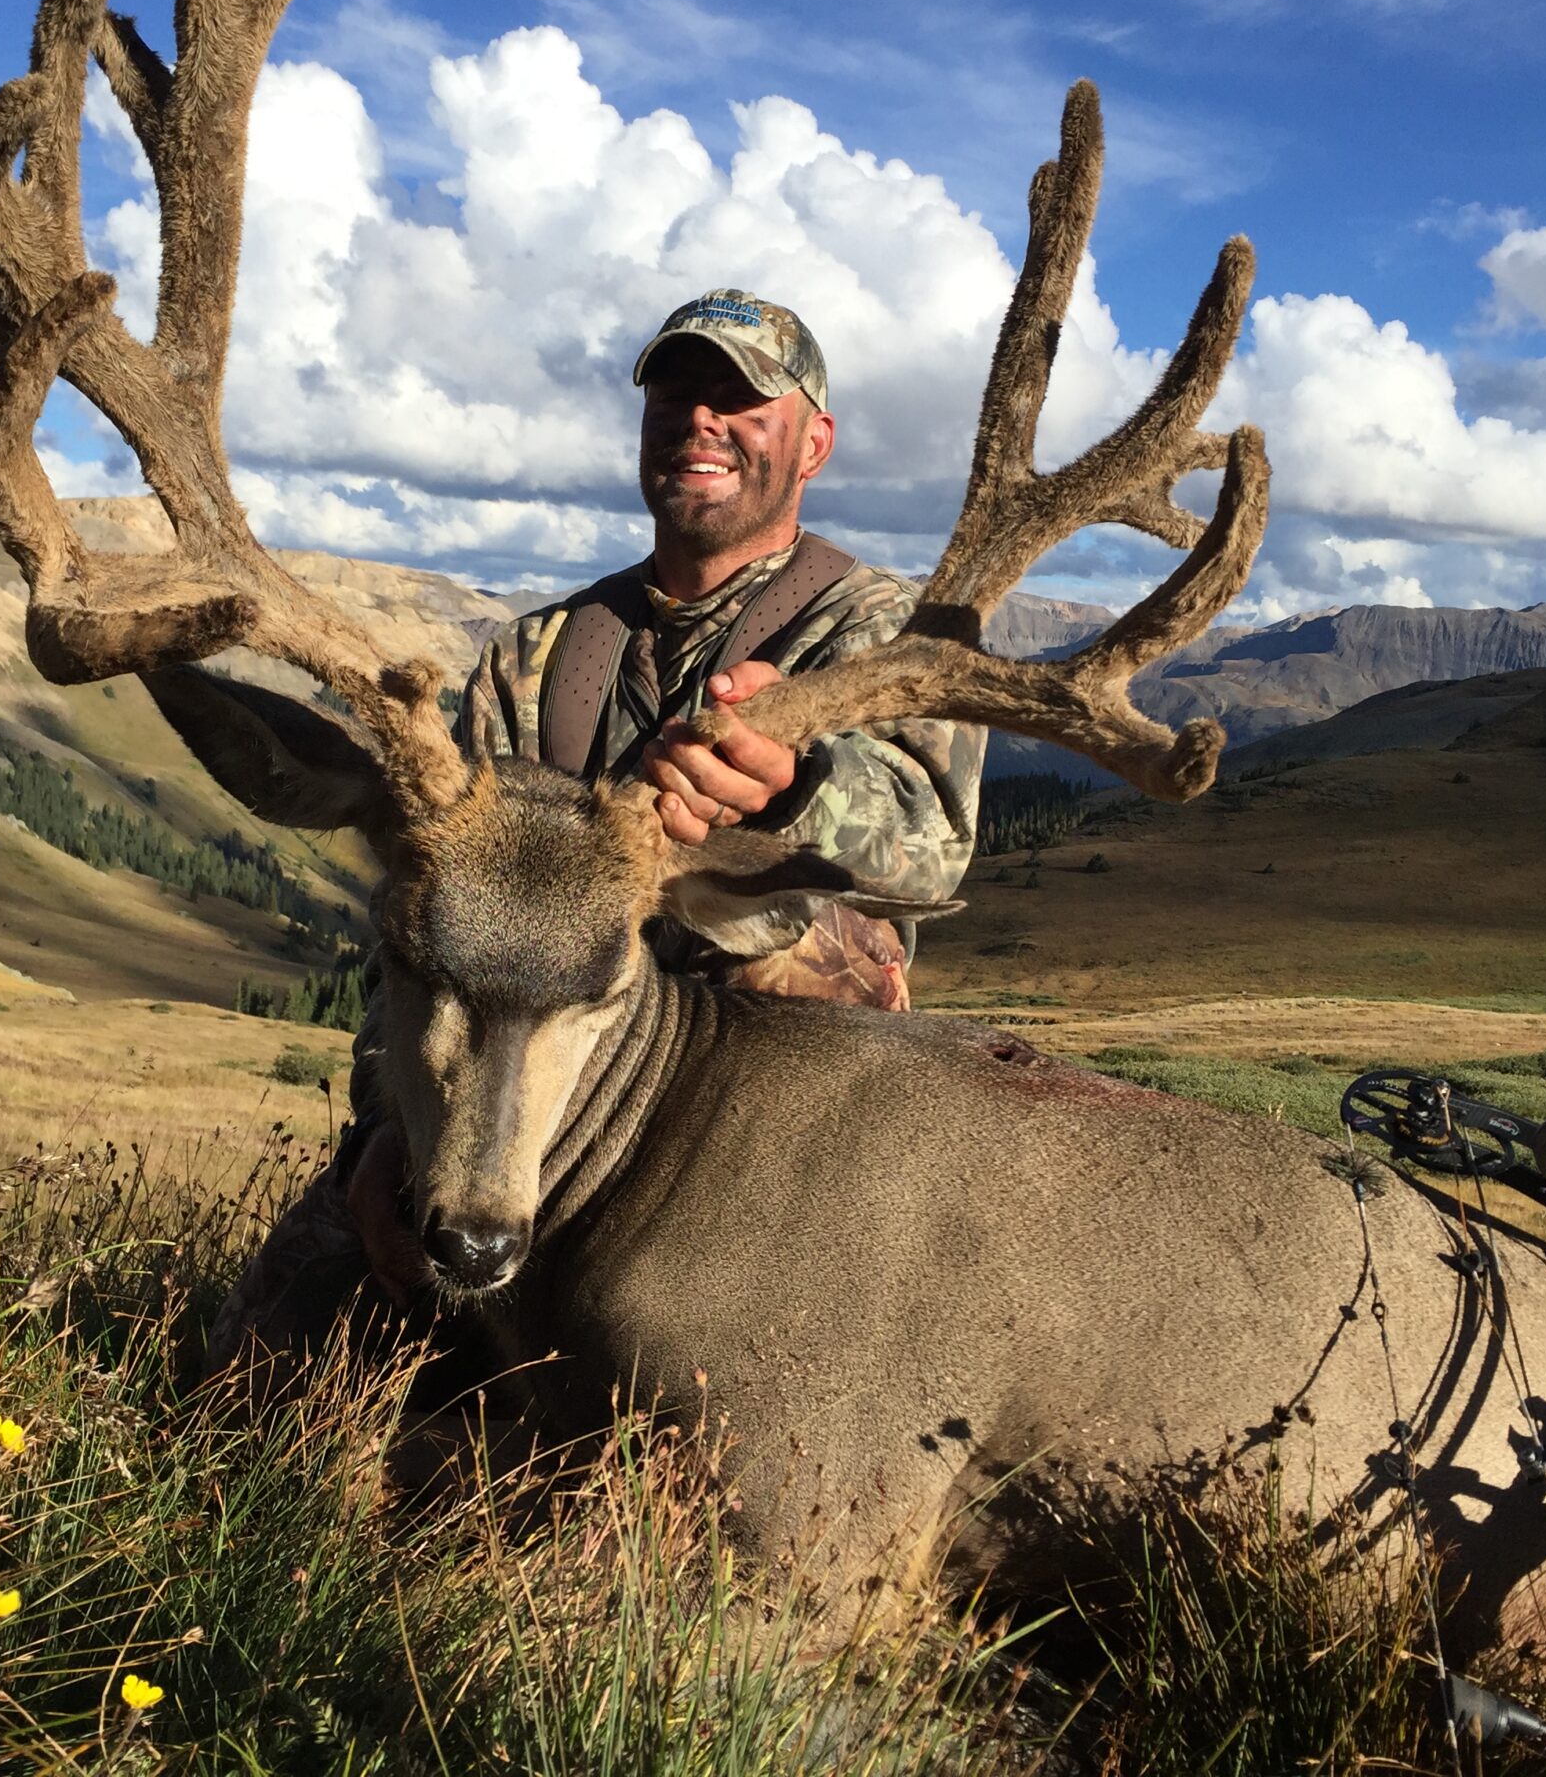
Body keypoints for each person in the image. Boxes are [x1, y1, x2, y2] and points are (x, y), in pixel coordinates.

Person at [208, 289, 985, 1363]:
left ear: (814, 441)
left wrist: (794, 780)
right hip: (525, 1086)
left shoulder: (880, 631)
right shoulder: (540, 653)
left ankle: (804, 1315)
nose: (700, 419)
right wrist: (380, 1145)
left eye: (740, 398)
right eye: (675, 393)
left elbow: (931, 847)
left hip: (757, 1110)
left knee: (814, 943)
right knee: (257, 1345)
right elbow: (425, 921)